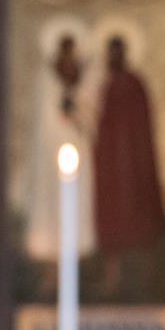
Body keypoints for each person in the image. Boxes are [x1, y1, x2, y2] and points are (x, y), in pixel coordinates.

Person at [92, 35, 165, 289]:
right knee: (111, 219)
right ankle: (113, 277)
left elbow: (141, 123)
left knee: (141, 217)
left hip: (134, 162)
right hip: (110, 164)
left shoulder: (134, 84)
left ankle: (149, 276)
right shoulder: (102, 84)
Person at [24, 32, 96, 261]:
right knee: (50, 200)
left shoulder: (83, 78)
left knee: (77, 200)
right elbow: (43, 115)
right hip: (50, 147)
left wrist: (76, 111)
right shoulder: (46, 78)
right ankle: (48, 255)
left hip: (77, 145)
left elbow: (89, 113)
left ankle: (77, 249)